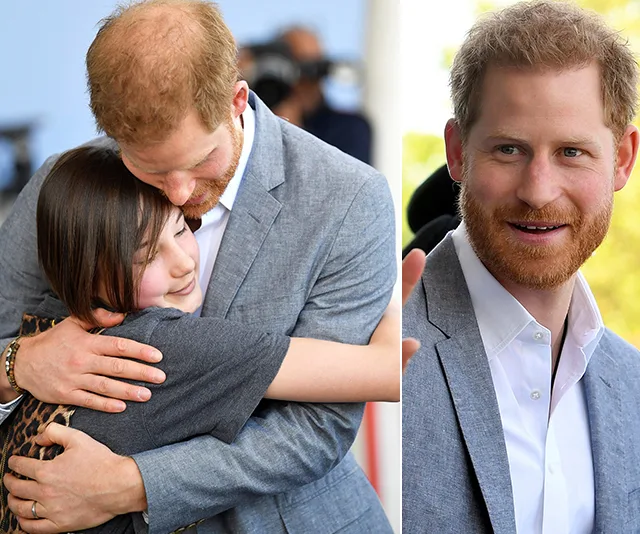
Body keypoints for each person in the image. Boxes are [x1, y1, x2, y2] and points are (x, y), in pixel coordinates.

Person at [0, 1, 396, 532]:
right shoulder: (66, 188)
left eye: (198, 160)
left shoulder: (349, 198)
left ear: (237, 99)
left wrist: (132, 484)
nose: (181, 193)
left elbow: (316, 428)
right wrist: (17, 365)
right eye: (149, 168)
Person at [403, 1, 640, 532]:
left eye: (572, 152)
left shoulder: (634, 388)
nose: (537, 191)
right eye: (509, 150)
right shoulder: (369, 347)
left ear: (622, 158)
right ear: (458, 152)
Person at [274, 27, 373, 164]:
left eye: (315, 63)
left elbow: (346, 180)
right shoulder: (253, 118)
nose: (305, 77)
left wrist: (291, 132)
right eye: (296, 61)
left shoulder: (349, 127)